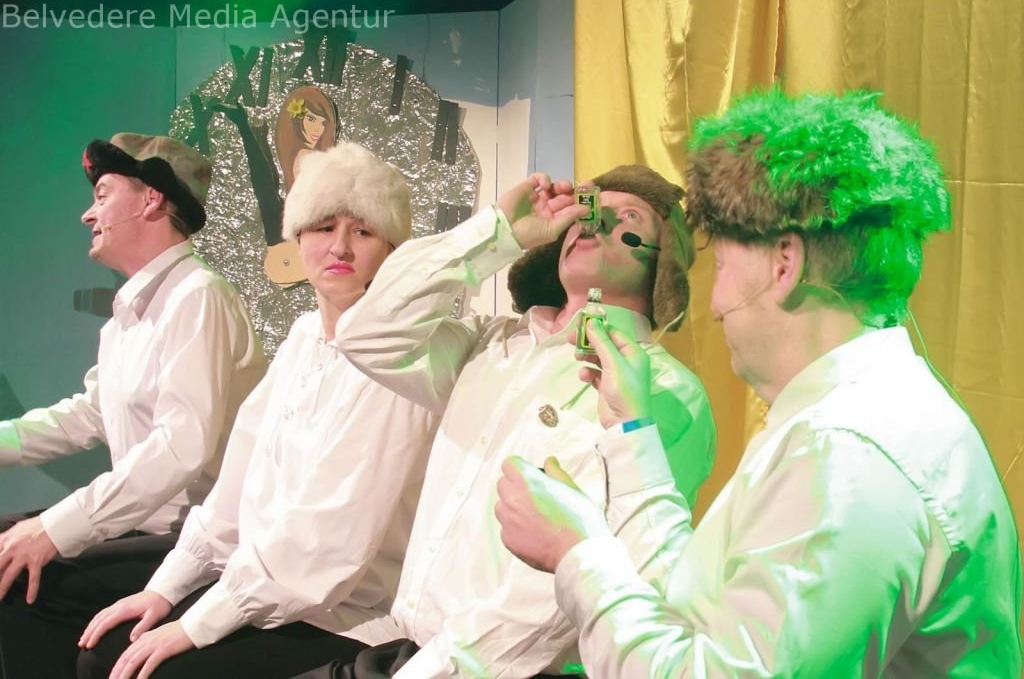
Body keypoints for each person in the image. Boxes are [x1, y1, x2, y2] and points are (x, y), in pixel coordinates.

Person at [496, 88, 1023, 677]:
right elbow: (697, 610)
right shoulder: (846, 420)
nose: (715, 305)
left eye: (721, 265)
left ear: (784, 264)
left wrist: (576, 554)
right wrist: (629, 429)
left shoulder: (848, 454)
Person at [313, 164, 716, 677]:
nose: (594, 221)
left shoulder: (664, 391)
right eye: (589, 209)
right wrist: (499, 229)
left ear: (661, 262)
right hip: (407, 651)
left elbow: (557, 593)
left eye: (629, 217)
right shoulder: (491, 342)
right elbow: (365, 334)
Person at [75, 142, 441, 679]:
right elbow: (235, 488)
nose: (339, 246)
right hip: (263, 586)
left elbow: (327, 542)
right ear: (298, 238)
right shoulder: (303, 337)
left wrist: (198, 623)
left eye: (363, 232)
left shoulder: (401, 359)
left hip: (346, 614)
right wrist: (166, 588)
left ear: (390, 249)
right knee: (103, 647)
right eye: (323, 227)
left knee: (140, 670)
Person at [0, 133, 267, 677]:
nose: (87, 214)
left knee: (22, 577)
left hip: (195, 540)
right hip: (145, 527)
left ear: (151, 199)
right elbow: (90, 414)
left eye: (102, 194)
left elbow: (180, 447)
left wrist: (56, 527)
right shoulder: (129, 313)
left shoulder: (199, 295)